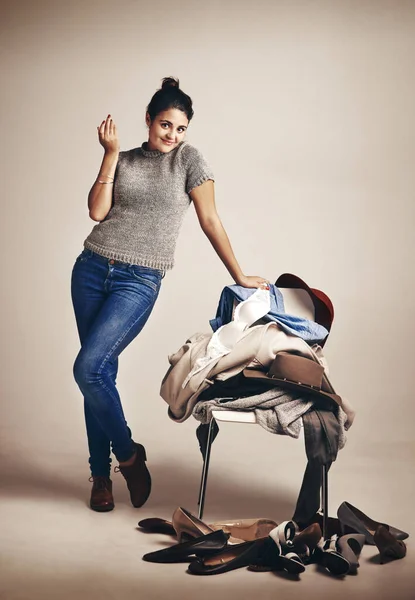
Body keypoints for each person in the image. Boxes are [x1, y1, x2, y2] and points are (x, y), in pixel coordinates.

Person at [71, 76, 270, 513]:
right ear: (148, 119)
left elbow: (210, 220)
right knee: (98, 374)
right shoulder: (123, 160)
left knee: (88, 368)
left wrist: (240, 276)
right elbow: (97, 211)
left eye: (180, 128)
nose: (172, 135)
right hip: (90, 269)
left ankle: (128, 456)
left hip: (138, 280)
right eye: (165, 125)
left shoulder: (189, 161)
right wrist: (108, 156)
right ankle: (101, 475)